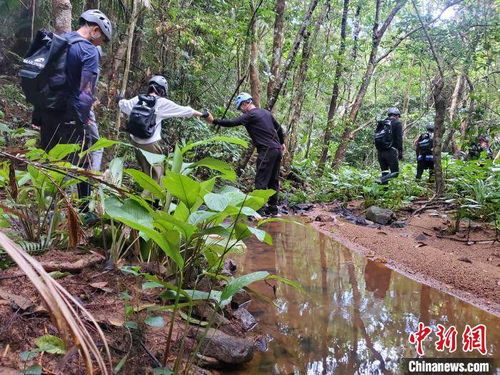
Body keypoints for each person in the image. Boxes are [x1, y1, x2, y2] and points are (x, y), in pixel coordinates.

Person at [37, 9, 112, 207]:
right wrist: (85, 120)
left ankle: (47, 210)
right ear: (95, 30)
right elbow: (86, 92)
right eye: (102, 39)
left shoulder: (60, 40)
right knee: (82, 161)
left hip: (48, 110)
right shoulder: (88, 50)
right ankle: (83, 209)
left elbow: (42, 77)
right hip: (70, 114)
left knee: (51, 159)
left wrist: (37, 114)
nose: (100, 44)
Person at [206, 93, 286, 216]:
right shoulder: (266, 113)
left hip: (266, 151)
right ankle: (273, 209)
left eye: (240, 108)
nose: (241, 111)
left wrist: (214, 121)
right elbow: (279, 129)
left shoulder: (250, 115)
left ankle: (259, 211)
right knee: (273, 181)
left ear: (244, 104)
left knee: (261, 181)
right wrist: (282, 143)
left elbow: (232, 123)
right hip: (276, 150)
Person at [118, 75, 205, 182]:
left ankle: (146, 194)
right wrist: (204, 115)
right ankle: (149, 198)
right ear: (162, 90)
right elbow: (186, 111)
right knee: (157, 179)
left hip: (135, 142)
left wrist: (118, 98)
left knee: (146, 172)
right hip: (150, 144)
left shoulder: (138, 99)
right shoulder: (162, 103)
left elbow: (123, 104)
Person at [375, 107, 403, 184]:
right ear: (397, 115)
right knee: (395, 173)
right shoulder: (397, 123)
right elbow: (399, 139)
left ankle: (383, 191)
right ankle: (381, 180)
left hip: (380, 152)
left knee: (385, 172)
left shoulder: (382, 123)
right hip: (391, 151)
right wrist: (400, 152)